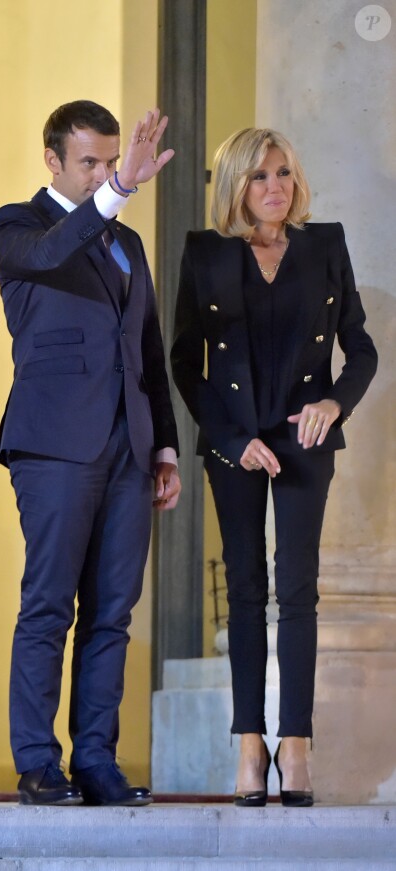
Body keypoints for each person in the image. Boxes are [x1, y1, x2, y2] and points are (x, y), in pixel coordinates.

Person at [171, 127, 377, 807]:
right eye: (260, 176)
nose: (276, 187)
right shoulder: (205, 253)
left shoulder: (324, 245)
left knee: (298, 590)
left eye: (284, 173)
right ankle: (249, 745)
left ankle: (297, 743)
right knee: (246, 591)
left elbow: (361, 348)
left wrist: (334, 402)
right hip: (235, 440)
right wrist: (230, 439)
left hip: (302, 439)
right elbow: (184, 361)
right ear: (236, 185)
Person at [0, 101, 181, 807]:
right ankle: (38, 761)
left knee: (112, 612)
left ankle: (96, 758)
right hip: (53, 446)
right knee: (49, 607)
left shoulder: (128, 244)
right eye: (91, 162)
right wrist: (119, 188)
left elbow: (147, 351)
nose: (105, 172)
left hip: (128, 447)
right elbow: (52, 252)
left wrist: (165, 442)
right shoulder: (18, 225)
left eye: (111, 160)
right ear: (53, 161)